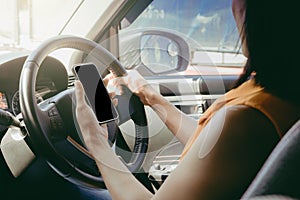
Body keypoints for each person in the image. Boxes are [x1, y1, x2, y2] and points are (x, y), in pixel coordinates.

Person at [75, 0, 300, 199]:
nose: (234, 6)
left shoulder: (248, 119)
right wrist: (152, 97)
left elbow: (225, 142)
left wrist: (95, 140)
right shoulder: (273, 96)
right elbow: (211, 145)